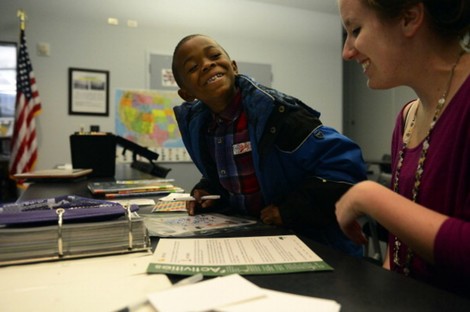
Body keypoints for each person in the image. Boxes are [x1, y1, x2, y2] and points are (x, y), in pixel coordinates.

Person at [171, 34, 367, 257]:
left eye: (214, 56)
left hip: (315, 246)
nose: (207, 64)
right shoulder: (202, 128)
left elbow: (346, 168)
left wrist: (290, 211)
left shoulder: (278, 115)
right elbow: (232, 174)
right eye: (193, 67)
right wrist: (208, 190)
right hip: (260, 245)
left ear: (233, 67)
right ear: (186, 93)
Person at [336, 0, 470, 296]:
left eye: (356, 29)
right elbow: (401, 251)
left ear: (410, 18)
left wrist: (369, 196)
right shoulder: (408, 117)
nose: (347, 52)